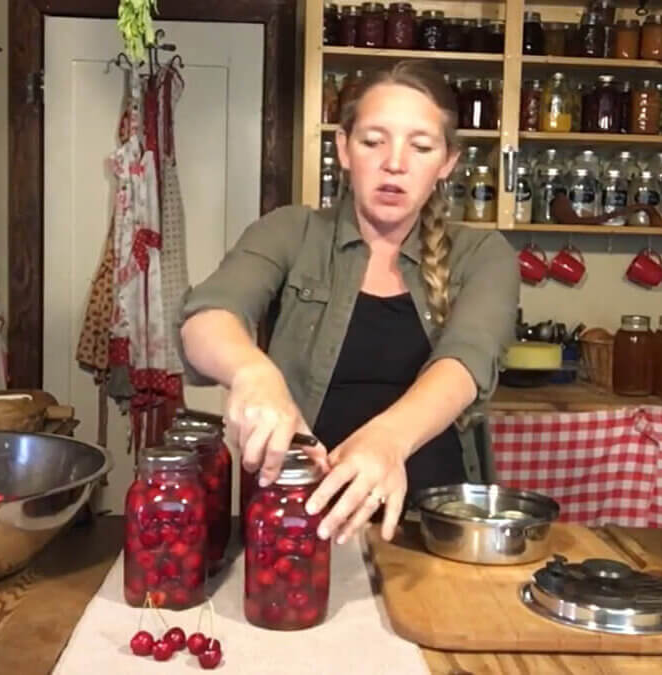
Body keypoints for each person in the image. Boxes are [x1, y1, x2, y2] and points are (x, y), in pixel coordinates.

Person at [177, 60, 517, 546]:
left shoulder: (482, 255)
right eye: (373, 141)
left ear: (447, 163)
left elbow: (468, 359)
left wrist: (387, 441)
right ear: (343, 148)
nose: (395, 163)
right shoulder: (290, 232)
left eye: (420, 146)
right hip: (299, 517)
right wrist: (254, 373)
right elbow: (208, 317)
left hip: (433, 527)